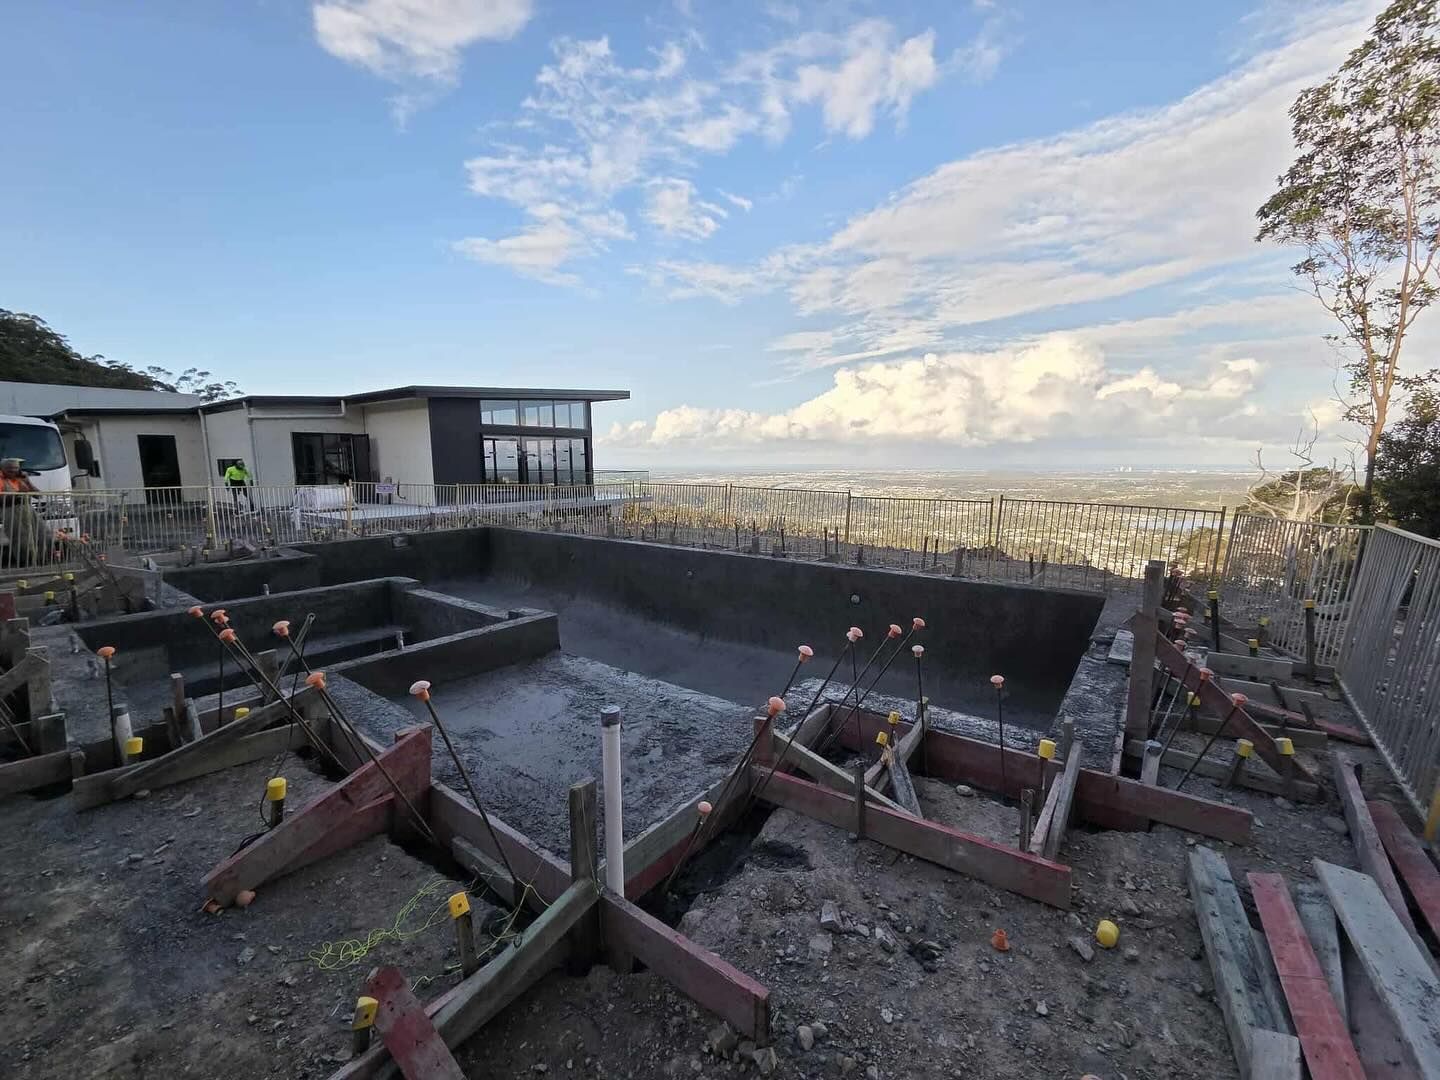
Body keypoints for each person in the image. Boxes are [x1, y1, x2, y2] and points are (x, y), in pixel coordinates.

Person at [0, 458, 42, 567]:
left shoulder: (20, 479)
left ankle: (41, 562)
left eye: (16, 469)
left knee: (42, 535)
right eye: (10, 470)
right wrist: (18, 494)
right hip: (11, 511)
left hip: (27, 509)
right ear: (3, 469)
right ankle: (26, 565)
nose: (13, 472)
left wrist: (27, 482)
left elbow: (38, 495)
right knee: (21, 541)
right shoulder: (1, 479)